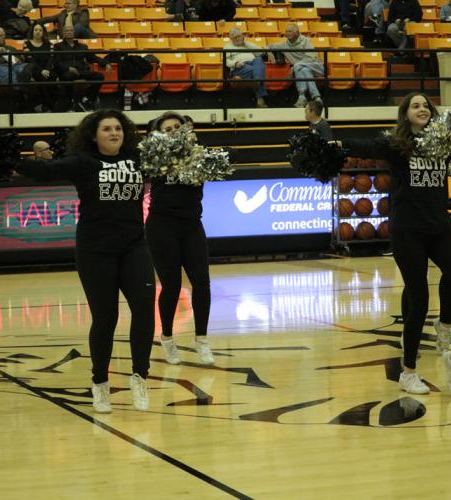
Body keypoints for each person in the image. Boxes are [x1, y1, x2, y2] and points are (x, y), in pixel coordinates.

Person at [15, 109, 156, 414]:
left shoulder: (139, 159)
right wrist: (13, 159)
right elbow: (46, 171)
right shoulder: (83, 162)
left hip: (135, 246)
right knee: (106, 319)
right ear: (94, 135)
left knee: (145, 312)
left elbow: (176, 169)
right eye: (107, 129)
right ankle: (100, 383)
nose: (114, 133)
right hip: (96, 250)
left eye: (118, 128)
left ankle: (140, 377)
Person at [338, 92, 451, 396]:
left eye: (426, 105)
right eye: (415, 105)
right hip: (407, 232)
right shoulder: (397, 145)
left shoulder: (444, 141)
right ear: (405, 114)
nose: (422, 108)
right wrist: (333, 143)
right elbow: (364, 145)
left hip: (440, 227)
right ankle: (408, 373)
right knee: (419, 298)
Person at [145, 111, 215, 366]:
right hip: (161, 228)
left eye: (177, 126)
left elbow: (231, 155)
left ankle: (202, 341)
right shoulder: (153, 158)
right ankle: (167, 338)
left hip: (192, 226)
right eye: (166, 128)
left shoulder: (198, 155)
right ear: (158, 134)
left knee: (202, 283)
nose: (172, 130)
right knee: (171, 286)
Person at [53, 25, 110, 111]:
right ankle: (70, 100)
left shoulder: (82, 46)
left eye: (71, 30)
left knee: (99, 76)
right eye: (67, 31)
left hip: (81, 71)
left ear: (74, 32)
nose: (69, 32)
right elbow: (57, 63)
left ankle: (87, 98)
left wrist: (105, 63)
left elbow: (92, 58)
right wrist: (68, 68)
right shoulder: (58, 46)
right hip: (67, 72)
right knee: (68, 76)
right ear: (63, 33)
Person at [267, 23, 324, 108]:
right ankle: (316, 97)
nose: (287, 33)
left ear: (297, 32)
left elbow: (311, 58)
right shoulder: (284, 45)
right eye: (286, 31)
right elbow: (268, 46)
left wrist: (294, 67)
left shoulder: (306, 41)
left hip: (317, 67)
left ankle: (302, 96)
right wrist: (269, 52)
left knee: (298, 66)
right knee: (304, 70)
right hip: (302, 70)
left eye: (290, 31)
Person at [224, 27, 268, 108]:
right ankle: (260, 96)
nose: (238, 39)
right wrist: (235, 63)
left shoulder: (247, 44)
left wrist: (246, 43)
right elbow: (225, 61)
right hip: (240, 67)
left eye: (239, 36)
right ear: (231, 39)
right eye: (235, 38)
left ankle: (257, 82)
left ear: (242, 36)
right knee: (256, 71)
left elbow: (260, 52)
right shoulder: (227, 47)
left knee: (258, 59)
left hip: (253, 63)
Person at [23, 23, 57, 112]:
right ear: (32, 31)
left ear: (43, 32)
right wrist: (41, 70)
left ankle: (45, 105)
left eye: (40, 30)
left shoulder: (49, 44)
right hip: (34, 70)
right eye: (36, 30)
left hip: (47, 70)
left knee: (52, 76)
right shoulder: (26, 44)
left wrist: (47, 69)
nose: (38, 32)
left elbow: (51, 58)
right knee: (42, 79)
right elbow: (30, 60)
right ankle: (50, 106)